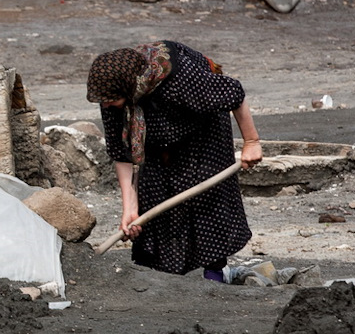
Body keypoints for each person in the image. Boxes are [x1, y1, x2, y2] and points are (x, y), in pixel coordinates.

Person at [87, 41, 263, 281]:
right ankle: (161, 278)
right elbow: (122, 154)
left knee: (205, 199)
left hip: (203, 131)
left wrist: (251, 142)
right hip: (155, 138)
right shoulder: (113, 96)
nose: (106, 105)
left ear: (129, 88)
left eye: (110, 101)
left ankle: (214, 274)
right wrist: (130, 209)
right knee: (154, 194)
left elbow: (234, 93)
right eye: (103, 101)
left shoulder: (180, 81)